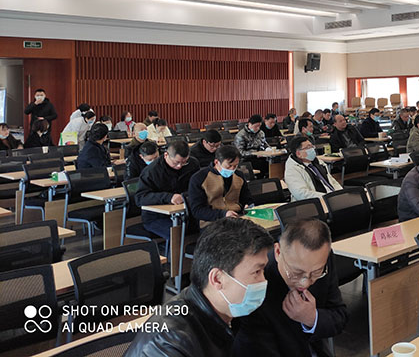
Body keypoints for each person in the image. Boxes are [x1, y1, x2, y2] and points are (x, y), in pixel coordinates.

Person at [125, 218, 274, 357]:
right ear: (217, 279)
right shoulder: (169, 343)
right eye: (257, 272)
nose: (263, 280)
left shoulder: (231, 311)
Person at [233, 219, 348, 357]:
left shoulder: (321, 260)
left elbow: (340, 316)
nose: (305, 283)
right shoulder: (256, 282)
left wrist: (312, 318)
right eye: (296, 273)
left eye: (316, 273)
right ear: (278, 252)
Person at [135, 140, 200, 240]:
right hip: (157, 217)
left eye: (184, 162)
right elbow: (140, 198)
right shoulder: (151, 171)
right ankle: (172, 250)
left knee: (206, 226)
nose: (179, 166)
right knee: (176, 232)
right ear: (166, 155)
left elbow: (198, 186)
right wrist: (169, 197)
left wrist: (185, 195)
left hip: (186, 211)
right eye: (176, 162)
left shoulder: (192, 164)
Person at [187, 145, 252, 223]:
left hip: (237, 217)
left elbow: (247, 198)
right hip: (212, 221)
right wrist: (223, 214)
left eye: (235, 166)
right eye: (229, 166)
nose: (232, 169)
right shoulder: (199, 178)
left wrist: (248, 205)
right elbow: (197, 210)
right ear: (217, 162)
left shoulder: (239, 176)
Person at [284, 135, 342, 202]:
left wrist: (340, 193)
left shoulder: (317, 162)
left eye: (312, 146)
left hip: (332, 198)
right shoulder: (292, 169)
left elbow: (332, 181)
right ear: (298, 153)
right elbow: (301, 194)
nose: (312, 149)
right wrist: (327, 197)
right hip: (314, 202)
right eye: (308, 147)